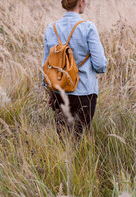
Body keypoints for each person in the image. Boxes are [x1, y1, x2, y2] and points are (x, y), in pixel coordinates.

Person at [42, 0, 107, 138]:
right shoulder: (88, 28)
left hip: (59, 92)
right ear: (80, 2)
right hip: (84, 92)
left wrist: (51, 92)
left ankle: (62, 160)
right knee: (80, 139)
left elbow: (47, 66)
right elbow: (100, 64)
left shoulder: (51, 28)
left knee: (62, 140)